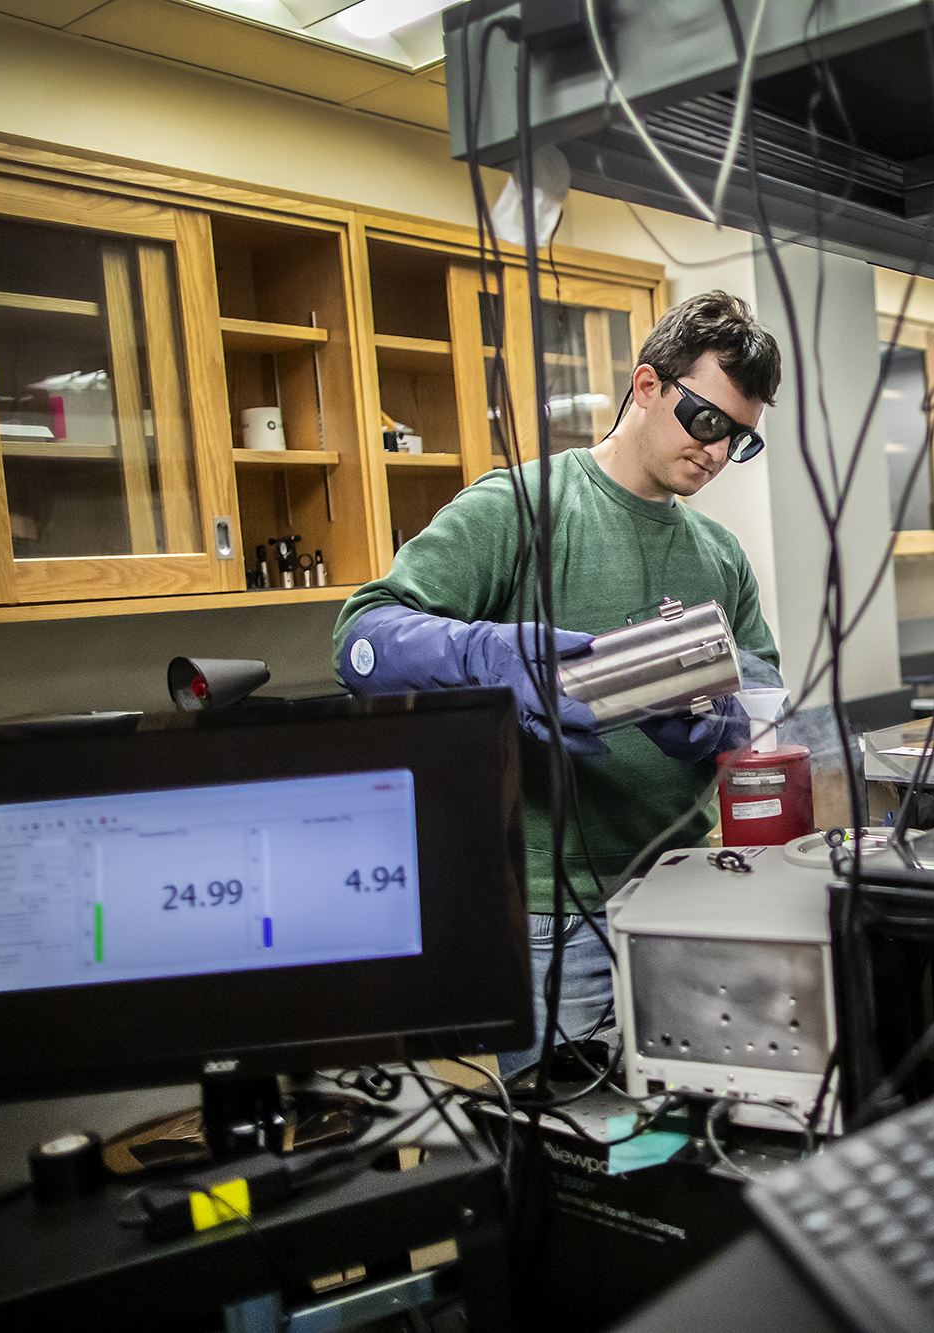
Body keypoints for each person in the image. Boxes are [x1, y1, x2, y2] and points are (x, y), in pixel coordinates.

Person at [332, 291, 783, 1073]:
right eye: (707, 421)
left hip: (685, 894)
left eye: (740, 440)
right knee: (559, 1150)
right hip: (552, 913)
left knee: (687, 1138)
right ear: (646, 386)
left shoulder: (720, 553)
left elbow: (766, 686)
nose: (716, 452)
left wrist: (727, 719)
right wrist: (488, 656)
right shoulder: (521, 507)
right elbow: (362, 636)